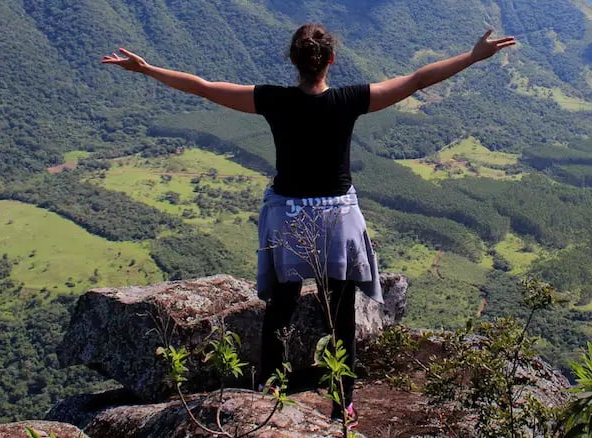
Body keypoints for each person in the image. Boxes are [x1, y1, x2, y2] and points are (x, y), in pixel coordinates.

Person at [102, 23, 515, 425]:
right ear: (331, 60)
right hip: (338, 217)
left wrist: (147, 69)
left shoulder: (273, 101)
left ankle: (270, 391)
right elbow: (418, 80)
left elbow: (205, 87)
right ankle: (343, 404)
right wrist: (473, 57)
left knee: (280, 308)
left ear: (293, 62)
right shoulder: (350, 99)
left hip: (288, 215)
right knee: (341, 314)